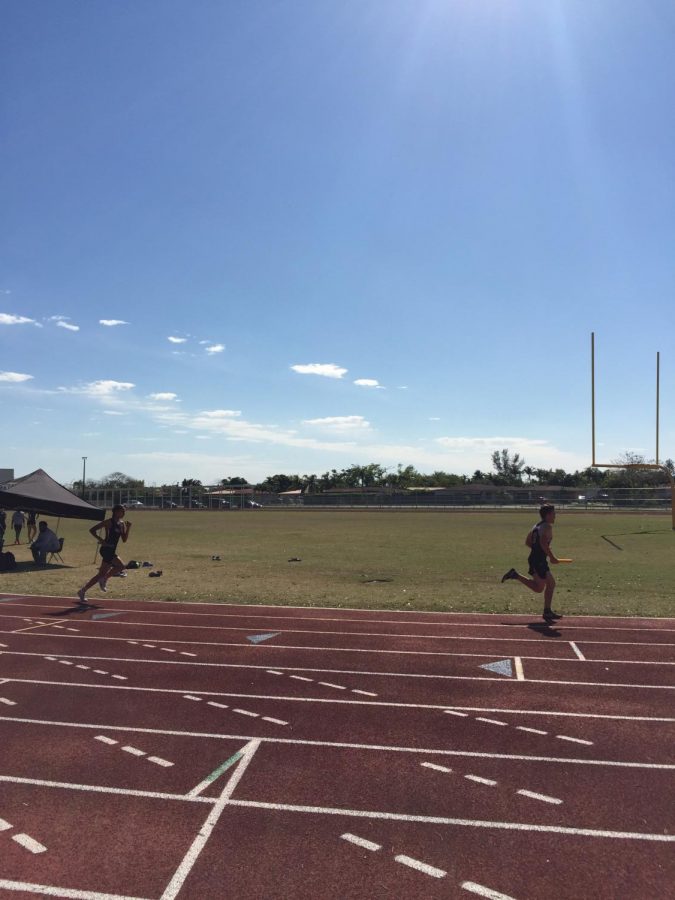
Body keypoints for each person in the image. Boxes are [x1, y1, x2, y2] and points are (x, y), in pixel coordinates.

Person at [501, 503, 563, 624]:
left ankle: (547, 610)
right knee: (543, 587)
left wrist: (538, 551)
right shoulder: (547, 527)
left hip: (537, 559)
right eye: (554, 513)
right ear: (548, 515)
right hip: (538, 560)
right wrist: (552, 557)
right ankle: (547, 611)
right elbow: (543, 543)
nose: (555, 516)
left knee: (546, 585)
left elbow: (528, 541)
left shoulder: (537, 526)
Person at [76, 505, 132, 604]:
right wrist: (101, 540)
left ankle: (83, 590)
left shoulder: (122, 524)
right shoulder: (109, 522)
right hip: (106, 549)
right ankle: (103, 579)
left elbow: (124, 540)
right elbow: (92, 530)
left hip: (112, 550)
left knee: (102, 573)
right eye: (122, 511)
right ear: (115, 512)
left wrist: (128, 528)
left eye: (124, 512)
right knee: (121, 566)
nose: (123, 513)